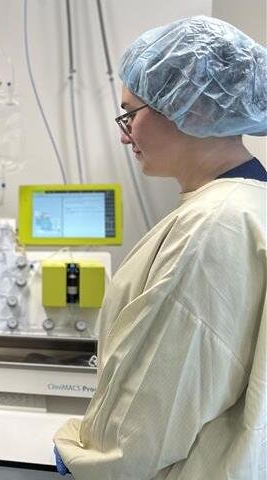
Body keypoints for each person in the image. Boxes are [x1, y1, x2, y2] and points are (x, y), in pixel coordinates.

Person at [52, 16, 267, 479]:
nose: (123, 133)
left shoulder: (211, 226)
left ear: (195, 109)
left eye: (131, 113)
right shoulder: (249, 204)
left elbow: (146, 417)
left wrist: (78, 458)